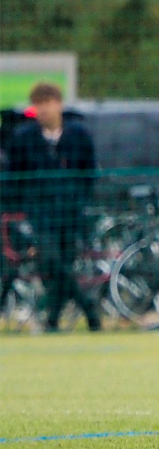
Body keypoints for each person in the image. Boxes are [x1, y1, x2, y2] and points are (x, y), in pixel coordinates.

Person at [8, 84, 100, 332]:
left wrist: (81, 202)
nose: (43, 109)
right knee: (52, 262)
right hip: (40, 215)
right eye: (38, 104)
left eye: (48, 103)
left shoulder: (78, 134)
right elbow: (14, 176)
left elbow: (89, 172)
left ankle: (52, 321)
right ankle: (89, 308)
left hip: (71, 213)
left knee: (63, 267)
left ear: (59, 104)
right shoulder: (24, 138)